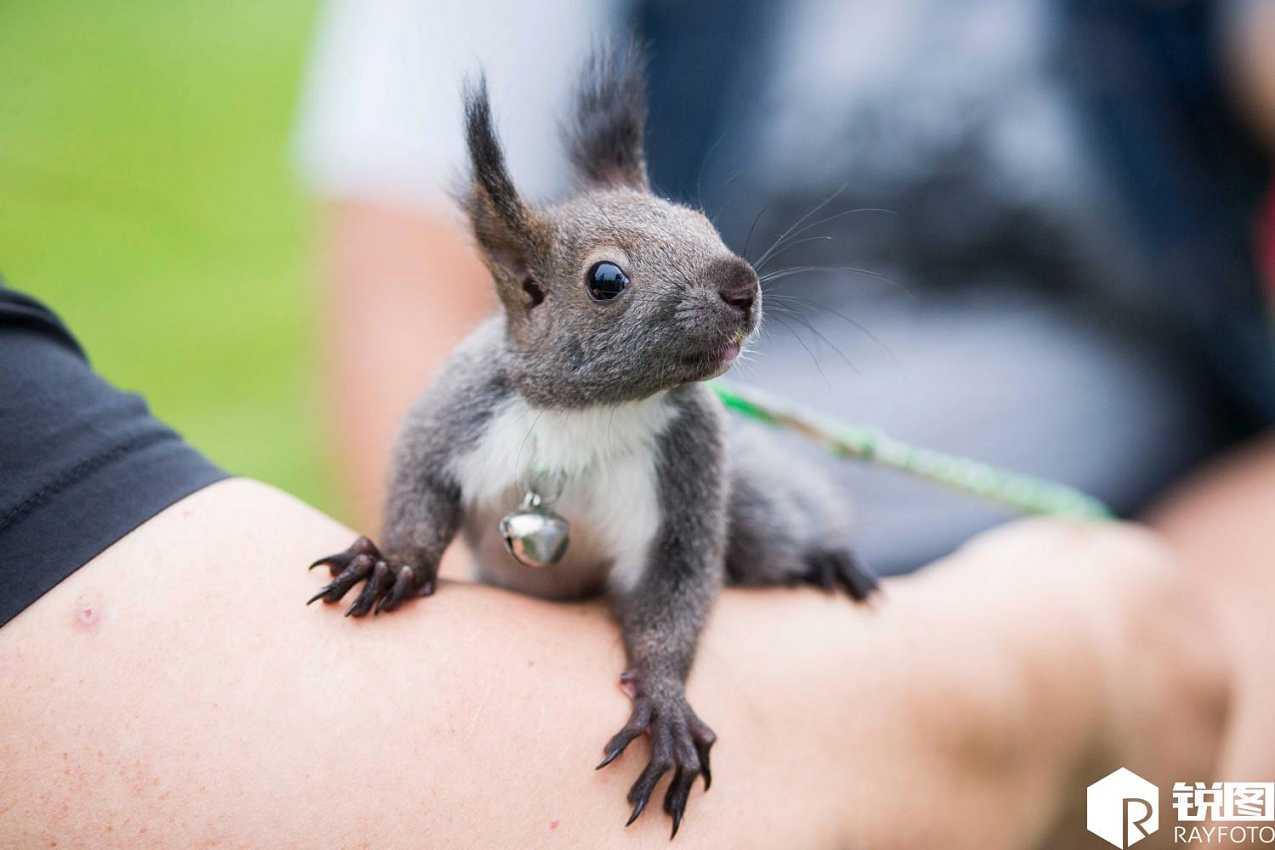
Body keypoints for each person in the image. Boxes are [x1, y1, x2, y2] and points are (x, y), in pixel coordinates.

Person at [297, 0, 1275, 783]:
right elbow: (403, 327)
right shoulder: (497, 385)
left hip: (1161, 511)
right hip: (734, 624)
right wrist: (464, 582)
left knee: (1193, 783)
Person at [0, 284, 1228, 847]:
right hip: (1034, 628)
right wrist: (1100, 645)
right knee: (1149, 801)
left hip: (1188, 549)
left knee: (1218, 816)